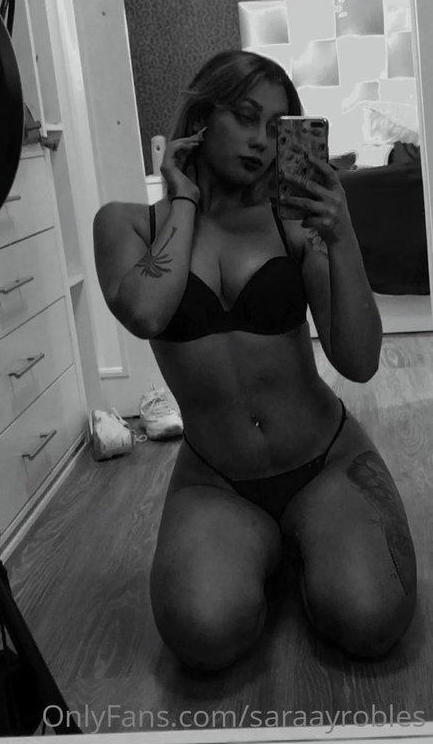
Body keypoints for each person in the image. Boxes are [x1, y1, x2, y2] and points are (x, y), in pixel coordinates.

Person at [93, 50, 417, 672]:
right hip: (218, 481)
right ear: (201, 118)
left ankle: (312, 543)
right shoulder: (127, 225)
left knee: (373, 620)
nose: (261, 141)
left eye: (275, 126)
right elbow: (148, 313)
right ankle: (269, 550)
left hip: (325, 462)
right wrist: (184, 199)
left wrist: (341, 234)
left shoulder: (289, 222)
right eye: (244, 117)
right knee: (203, 635)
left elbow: (359, 361)